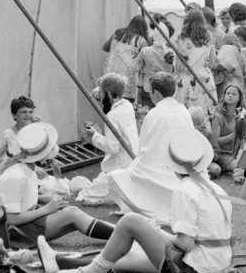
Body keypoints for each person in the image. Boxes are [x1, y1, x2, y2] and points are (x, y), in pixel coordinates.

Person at [42, 131, 240, 273]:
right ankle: (62, 261)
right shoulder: (215, 188)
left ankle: (92, 272)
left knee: (131, 221)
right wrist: (154, 232)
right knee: (136, 250)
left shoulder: (185, 190)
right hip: (219, 264)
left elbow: (185, 244)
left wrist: (154, 231)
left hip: (197, 267)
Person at [0, 122, 116, 246]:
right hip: (11, 234)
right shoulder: (16, 176)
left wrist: (50, 200)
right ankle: (123, 233)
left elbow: (22, 200)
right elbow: (10, 219)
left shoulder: (26, 171)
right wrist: (47, 209)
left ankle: (122, 233)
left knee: (71, 214)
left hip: (21, 228)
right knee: (72, 214)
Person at [107, 72, 198, 224]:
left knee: (114, 176)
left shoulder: (154, 114)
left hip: (155, 173)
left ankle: (147, 209)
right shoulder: (183, 110)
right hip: (181, 172)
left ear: (155, 92)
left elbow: (143, 149)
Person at [76, 74, 140, 204]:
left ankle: (118, 193)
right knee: (91, 187)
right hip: (132, 161)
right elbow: (120, 138)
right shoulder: (127, 105)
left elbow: (113, 147)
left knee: (85, 197)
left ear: (109, 94)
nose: (100, 96)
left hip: (120, 166)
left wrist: (94, 135)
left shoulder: (113, 115)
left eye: (102, 92)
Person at [173, 8, 218, 113]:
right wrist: (203, 64)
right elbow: (214, 63)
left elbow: (178, 67)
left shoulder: (181, 40)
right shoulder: (208, 38)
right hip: (204, 78)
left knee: (185, 111)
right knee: (205, 112)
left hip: (187, 79)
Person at [210, 83, 246, 180]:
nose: (230, 95)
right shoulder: (218, 116)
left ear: (239, 98)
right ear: (224, 96)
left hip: (236, 152)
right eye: (228, 93)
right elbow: (215, 141)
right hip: (222, 153)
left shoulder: (240, 114)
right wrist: (234, 135)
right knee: (241, 166)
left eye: (234, 94)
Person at [133, 15, 175, 109]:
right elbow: (173, 71)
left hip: (148, 87)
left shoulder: (145, 51)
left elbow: (136, 68)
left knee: (146, 112)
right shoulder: (171, 52)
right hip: (165, 89)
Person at [103, 15, 150, 88]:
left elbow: (105, 48)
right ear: (144, 29)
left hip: (110, 72)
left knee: (108, 96)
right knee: (124, 98)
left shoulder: (118, 33)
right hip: (127, 78)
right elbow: (147, 61)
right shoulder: (141, 41)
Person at [0, 95, 38, 166]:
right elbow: (3, 160)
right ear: (14, 115)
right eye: (24, 112)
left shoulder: (36, 131)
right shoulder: (8, 134)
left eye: (31, 112)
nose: (28, 115)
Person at [189, 105, 222, 178]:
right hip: (190, 163)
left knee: (216, 169)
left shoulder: (208, 134)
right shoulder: (186, 134)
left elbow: (216, 150)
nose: (195, 127)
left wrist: (208, 158)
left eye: (198, 124)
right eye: (192, 124)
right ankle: (195, 174)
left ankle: (202, 175)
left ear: (203, 122)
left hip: (206, 163)